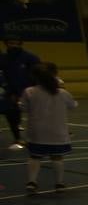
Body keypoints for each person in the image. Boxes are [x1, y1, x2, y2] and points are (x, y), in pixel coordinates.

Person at [19, 62, 76, 193]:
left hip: (37, 132)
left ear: (35, 77)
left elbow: (23, 108)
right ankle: (59, 183)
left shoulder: (29, 91)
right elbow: (73, 105)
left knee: (35, 156)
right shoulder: (63, 92)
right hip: (57, 132)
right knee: (57, 157)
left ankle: (32, 182)